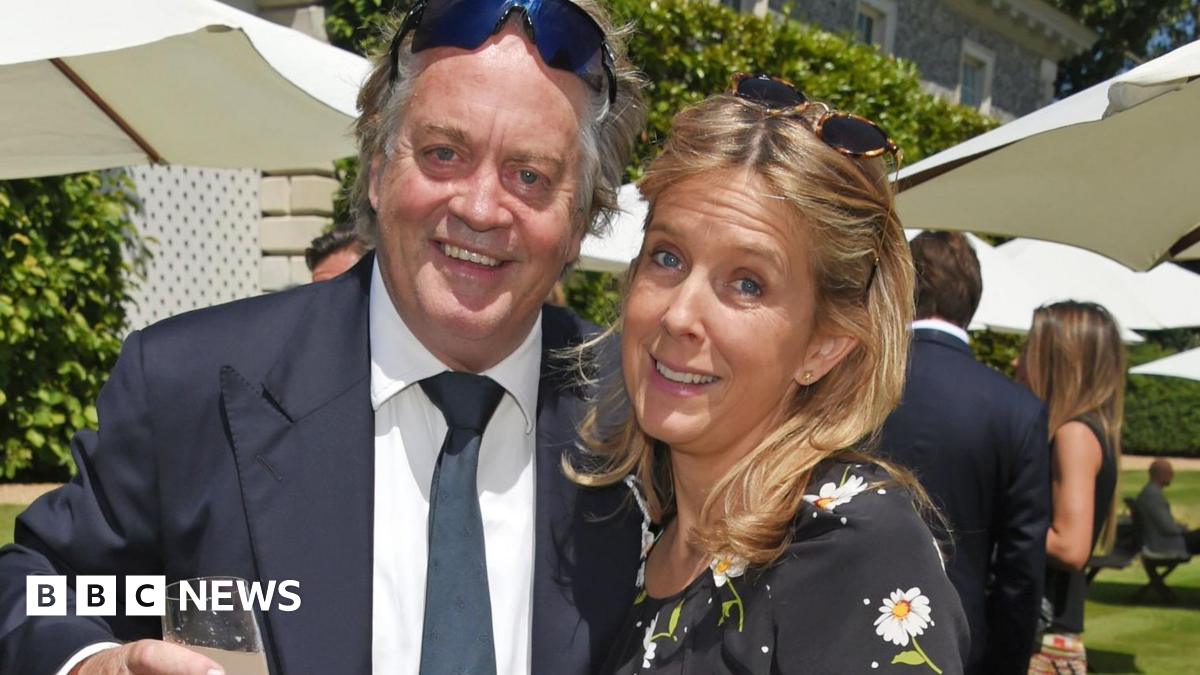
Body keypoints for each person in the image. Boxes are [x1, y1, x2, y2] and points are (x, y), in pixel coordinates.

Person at [0, 1, 647, 673]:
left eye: (530, 176)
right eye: (443, 153)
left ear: (581, 220)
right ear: (376, 170)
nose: (480, 208)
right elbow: (42, 582)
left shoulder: (641, 416)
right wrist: (89, 660)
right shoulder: (187, 384)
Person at [569, 75, 968, 673]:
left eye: (747, 284)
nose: (680, 315)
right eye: (667, 257)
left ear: (825, 345)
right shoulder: (619, 518)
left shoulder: (853, 547)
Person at [880, 231, 1050, 674]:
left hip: (842, 627)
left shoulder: (851, 385)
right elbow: (1021, 568)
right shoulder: (1018, 410)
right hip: (963, 641)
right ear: (973, 302)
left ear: (902, 289)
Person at [1017, 302, 1124, 675]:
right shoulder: (1091, 431)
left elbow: (1071, 546)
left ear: (1059, 361)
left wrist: (997, 518)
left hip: (1044, 644)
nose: (1017, 362)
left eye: (1030, 349)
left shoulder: (1074, 435)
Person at [1135, 459, 1200, 556]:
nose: (1172, 475)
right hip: (1169, 544)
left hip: (1165, 541)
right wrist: (1181, 529)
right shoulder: (1153, 496)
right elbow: (1168, 528)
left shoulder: (1148, 492)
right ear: (1161, 475)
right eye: (1170, 472)